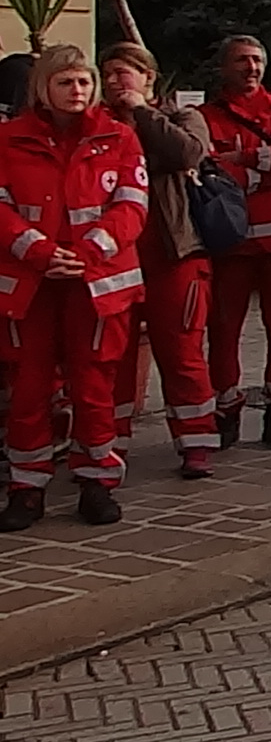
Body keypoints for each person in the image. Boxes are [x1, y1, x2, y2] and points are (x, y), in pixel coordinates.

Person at [0, 46, 150, 529]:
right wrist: (39, 251)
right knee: (28, 389)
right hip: (32, 286)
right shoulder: (7, 140)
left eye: (84, 82)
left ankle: (97, 482)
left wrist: (84, 254)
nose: (78, 91)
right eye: (66, 82)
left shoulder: (120, 138)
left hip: (96, 286)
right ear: (43, 87)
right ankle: (27, 488)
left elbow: (132, 208)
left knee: (95, 388)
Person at [100, 44, 221, 480]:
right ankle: (107, 444)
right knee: (112, 357)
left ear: (148, 77)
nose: (114, 82)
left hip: (175, 255)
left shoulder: (180, 118)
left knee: (182, 353)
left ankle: (196, 442)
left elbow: (188, 153)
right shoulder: (97, 125)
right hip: (113, 261)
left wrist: (143, 114)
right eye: (108, 74)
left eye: (124, 73)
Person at [199, 35, 271, 450]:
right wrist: (270, 168)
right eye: (242, 60)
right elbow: (208, 172)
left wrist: (244, 162)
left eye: (258, 60)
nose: (251, 67)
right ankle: (225, 411)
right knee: (224, 331)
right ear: (224, 67)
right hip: (230, 244)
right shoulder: (204, 117)